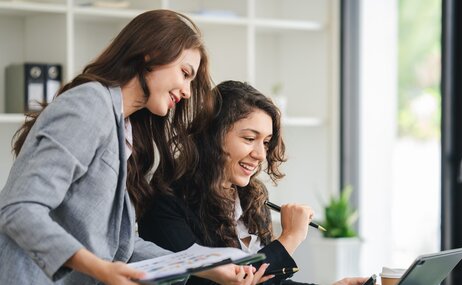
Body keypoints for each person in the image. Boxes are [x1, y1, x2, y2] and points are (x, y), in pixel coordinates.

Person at [0, 10, 269, 285]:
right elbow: (20, 209)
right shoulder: (89, 105)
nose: (187, 91)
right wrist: (100, 268)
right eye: (185, 73)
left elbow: (121, 247)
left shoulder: (124, 130)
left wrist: (206, 267)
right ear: (150, 55)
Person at [138, 80, 369, 285]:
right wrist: (289, 239)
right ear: (212, 135)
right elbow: (226, 281)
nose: (260, 154)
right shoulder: (166, 202)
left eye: (266, 142)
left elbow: (267, 283)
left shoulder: (253, 198)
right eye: (249, 139)